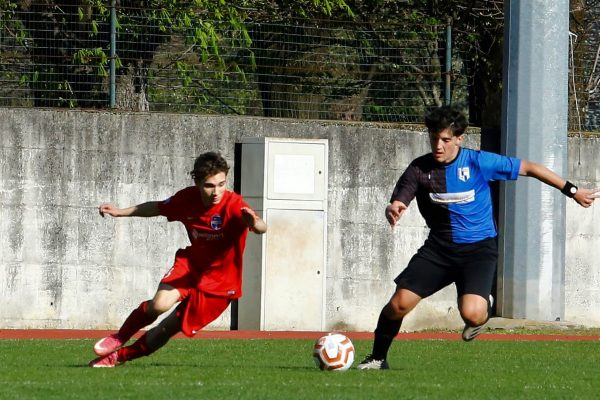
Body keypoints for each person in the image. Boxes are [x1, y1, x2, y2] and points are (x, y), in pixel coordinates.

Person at [357, 105, 600, 370]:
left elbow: (530, 168)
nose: (438, 145)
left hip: (478, 251)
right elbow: (401, 196)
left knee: (472, 314)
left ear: (459, 139)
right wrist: (394, 207)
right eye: (434, 138)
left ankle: (482, 311)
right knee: (398, 304)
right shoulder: (419, 168)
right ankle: (378, 358)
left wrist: (573, 191)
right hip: (439, 250)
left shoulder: (477, 162)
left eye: (446, 140)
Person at [89, 151, 267, 367]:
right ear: (198, 182)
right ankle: (120, 336)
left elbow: (261, 227)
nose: (216, 192)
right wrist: (120, 212)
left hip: (221, 284)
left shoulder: (233, 204)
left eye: (221, 184)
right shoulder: (187, 198)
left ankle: (119, 357)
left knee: (167, 328)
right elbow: (156, 207)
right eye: (210, 185)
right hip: (191, 266)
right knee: (159, 305)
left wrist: (254, 223)